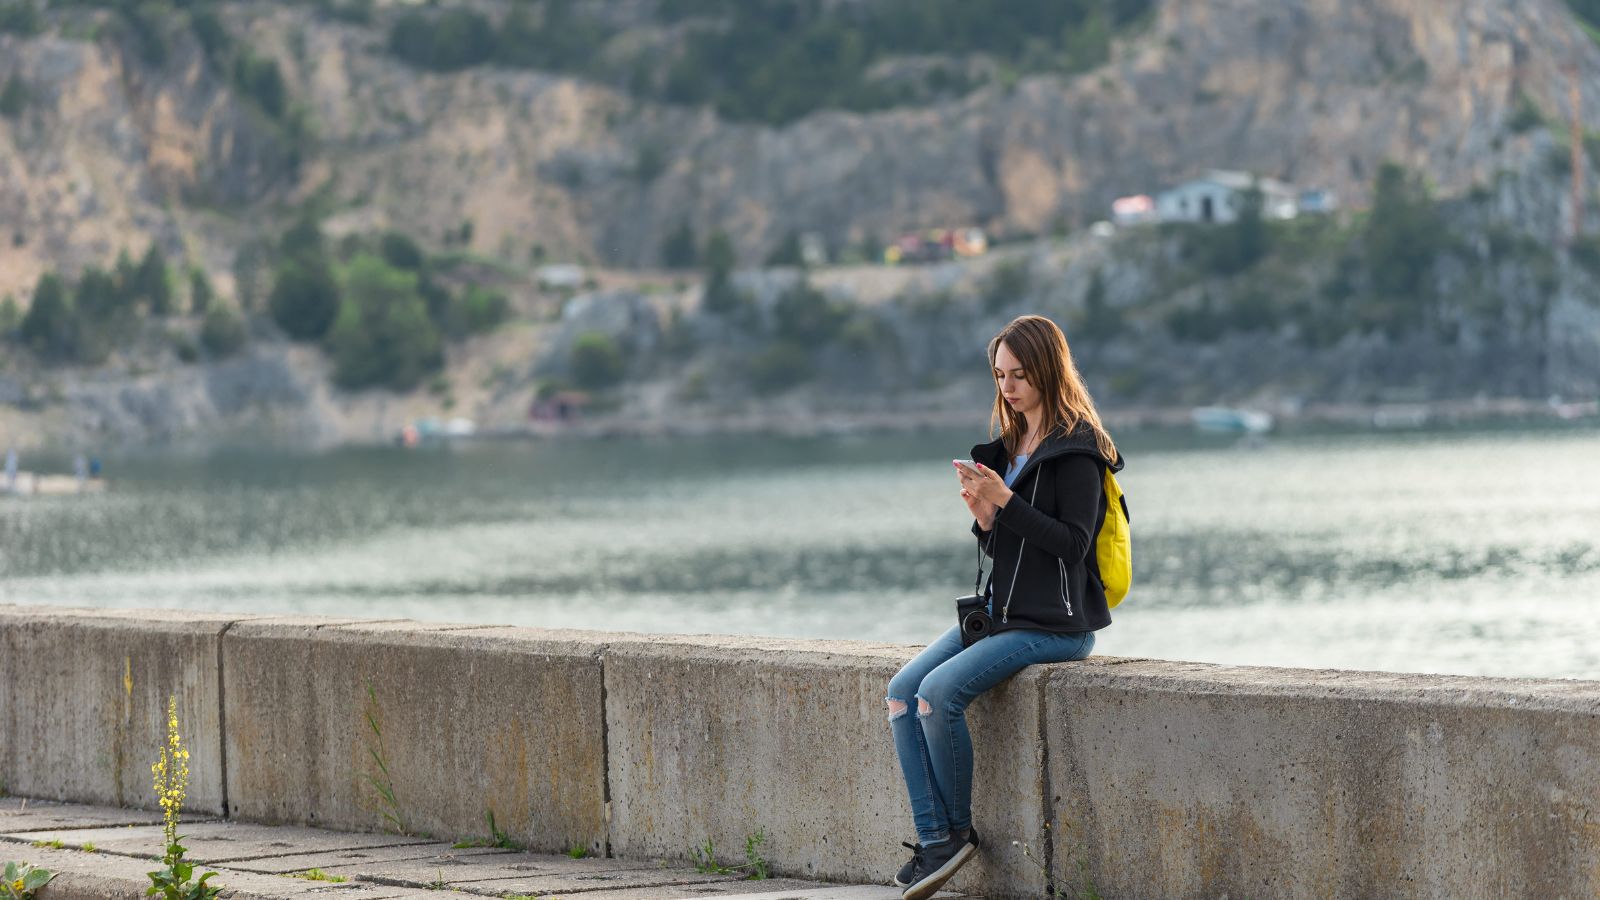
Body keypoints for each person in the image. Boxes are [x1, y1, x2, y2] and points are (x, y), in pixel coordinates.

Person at [886, 314, 1123, 900]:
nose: (1009, 387)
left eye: (1020, 374)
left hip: (1058, 625)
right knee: (900, 693)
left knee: (937, 697)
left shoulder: (1078, 450)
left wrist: (1005, 501)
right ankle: (936, 838)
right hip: (1004, 612)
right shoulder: (1012, 446)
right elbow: (1009, 544)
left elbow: (1071, 545)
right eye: (1000, 376)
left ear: (1047, 369)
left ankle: (956, 835)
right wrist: (987, 517)